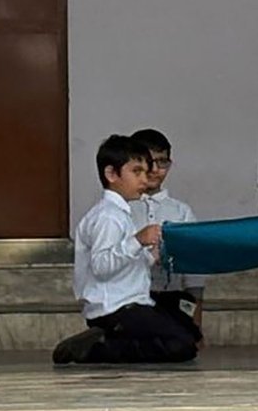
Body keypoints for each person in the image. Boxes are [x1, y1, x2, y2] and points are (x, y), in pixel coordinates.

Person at [53, 134, 201, 364]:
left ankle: (112, 339)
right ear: (112, 174)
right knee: (181, 346)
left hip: (134, 303)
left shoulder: (121, 214)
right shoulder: (108, 217)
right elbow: (101, 266)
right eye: (136, 172)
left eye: (145, 172)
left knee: (187, 331)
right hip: (116, 308)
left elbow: (130, 266)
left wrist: (153, 254)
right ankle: (96, 347)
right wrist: (138, 240)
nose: (144, 179)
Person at [128, 127, 205, 334]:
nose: (155, 169)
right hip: (131, 301)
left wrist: (196, 322)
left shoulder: (181, 211)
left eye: (162, 162)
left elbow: (194, 270)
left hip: (171, 298)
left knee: (178, 342)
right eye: (148, 162)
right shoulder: (122, 209)